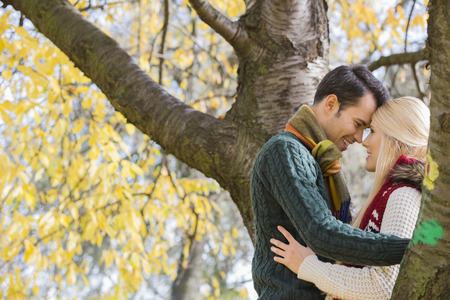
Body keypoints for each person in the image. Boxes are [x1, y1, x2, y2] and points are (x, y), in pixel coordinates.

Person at [251, 65, 411, 299]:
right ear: (331, 104)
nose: (359, 138)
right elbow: (323, 234)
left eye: (366, 130)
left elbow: (342, 232)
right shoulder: (285, 151)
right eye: (358, 124)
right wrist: (414, 248)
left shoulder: (325, 165)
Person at [270, 97, 429, 300]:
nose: (364, 141)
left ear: (396, 140)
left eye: (372, 131)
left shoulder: (403, 195)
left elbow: (382, 286)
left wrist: (308, 266)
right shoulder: (394, 194)